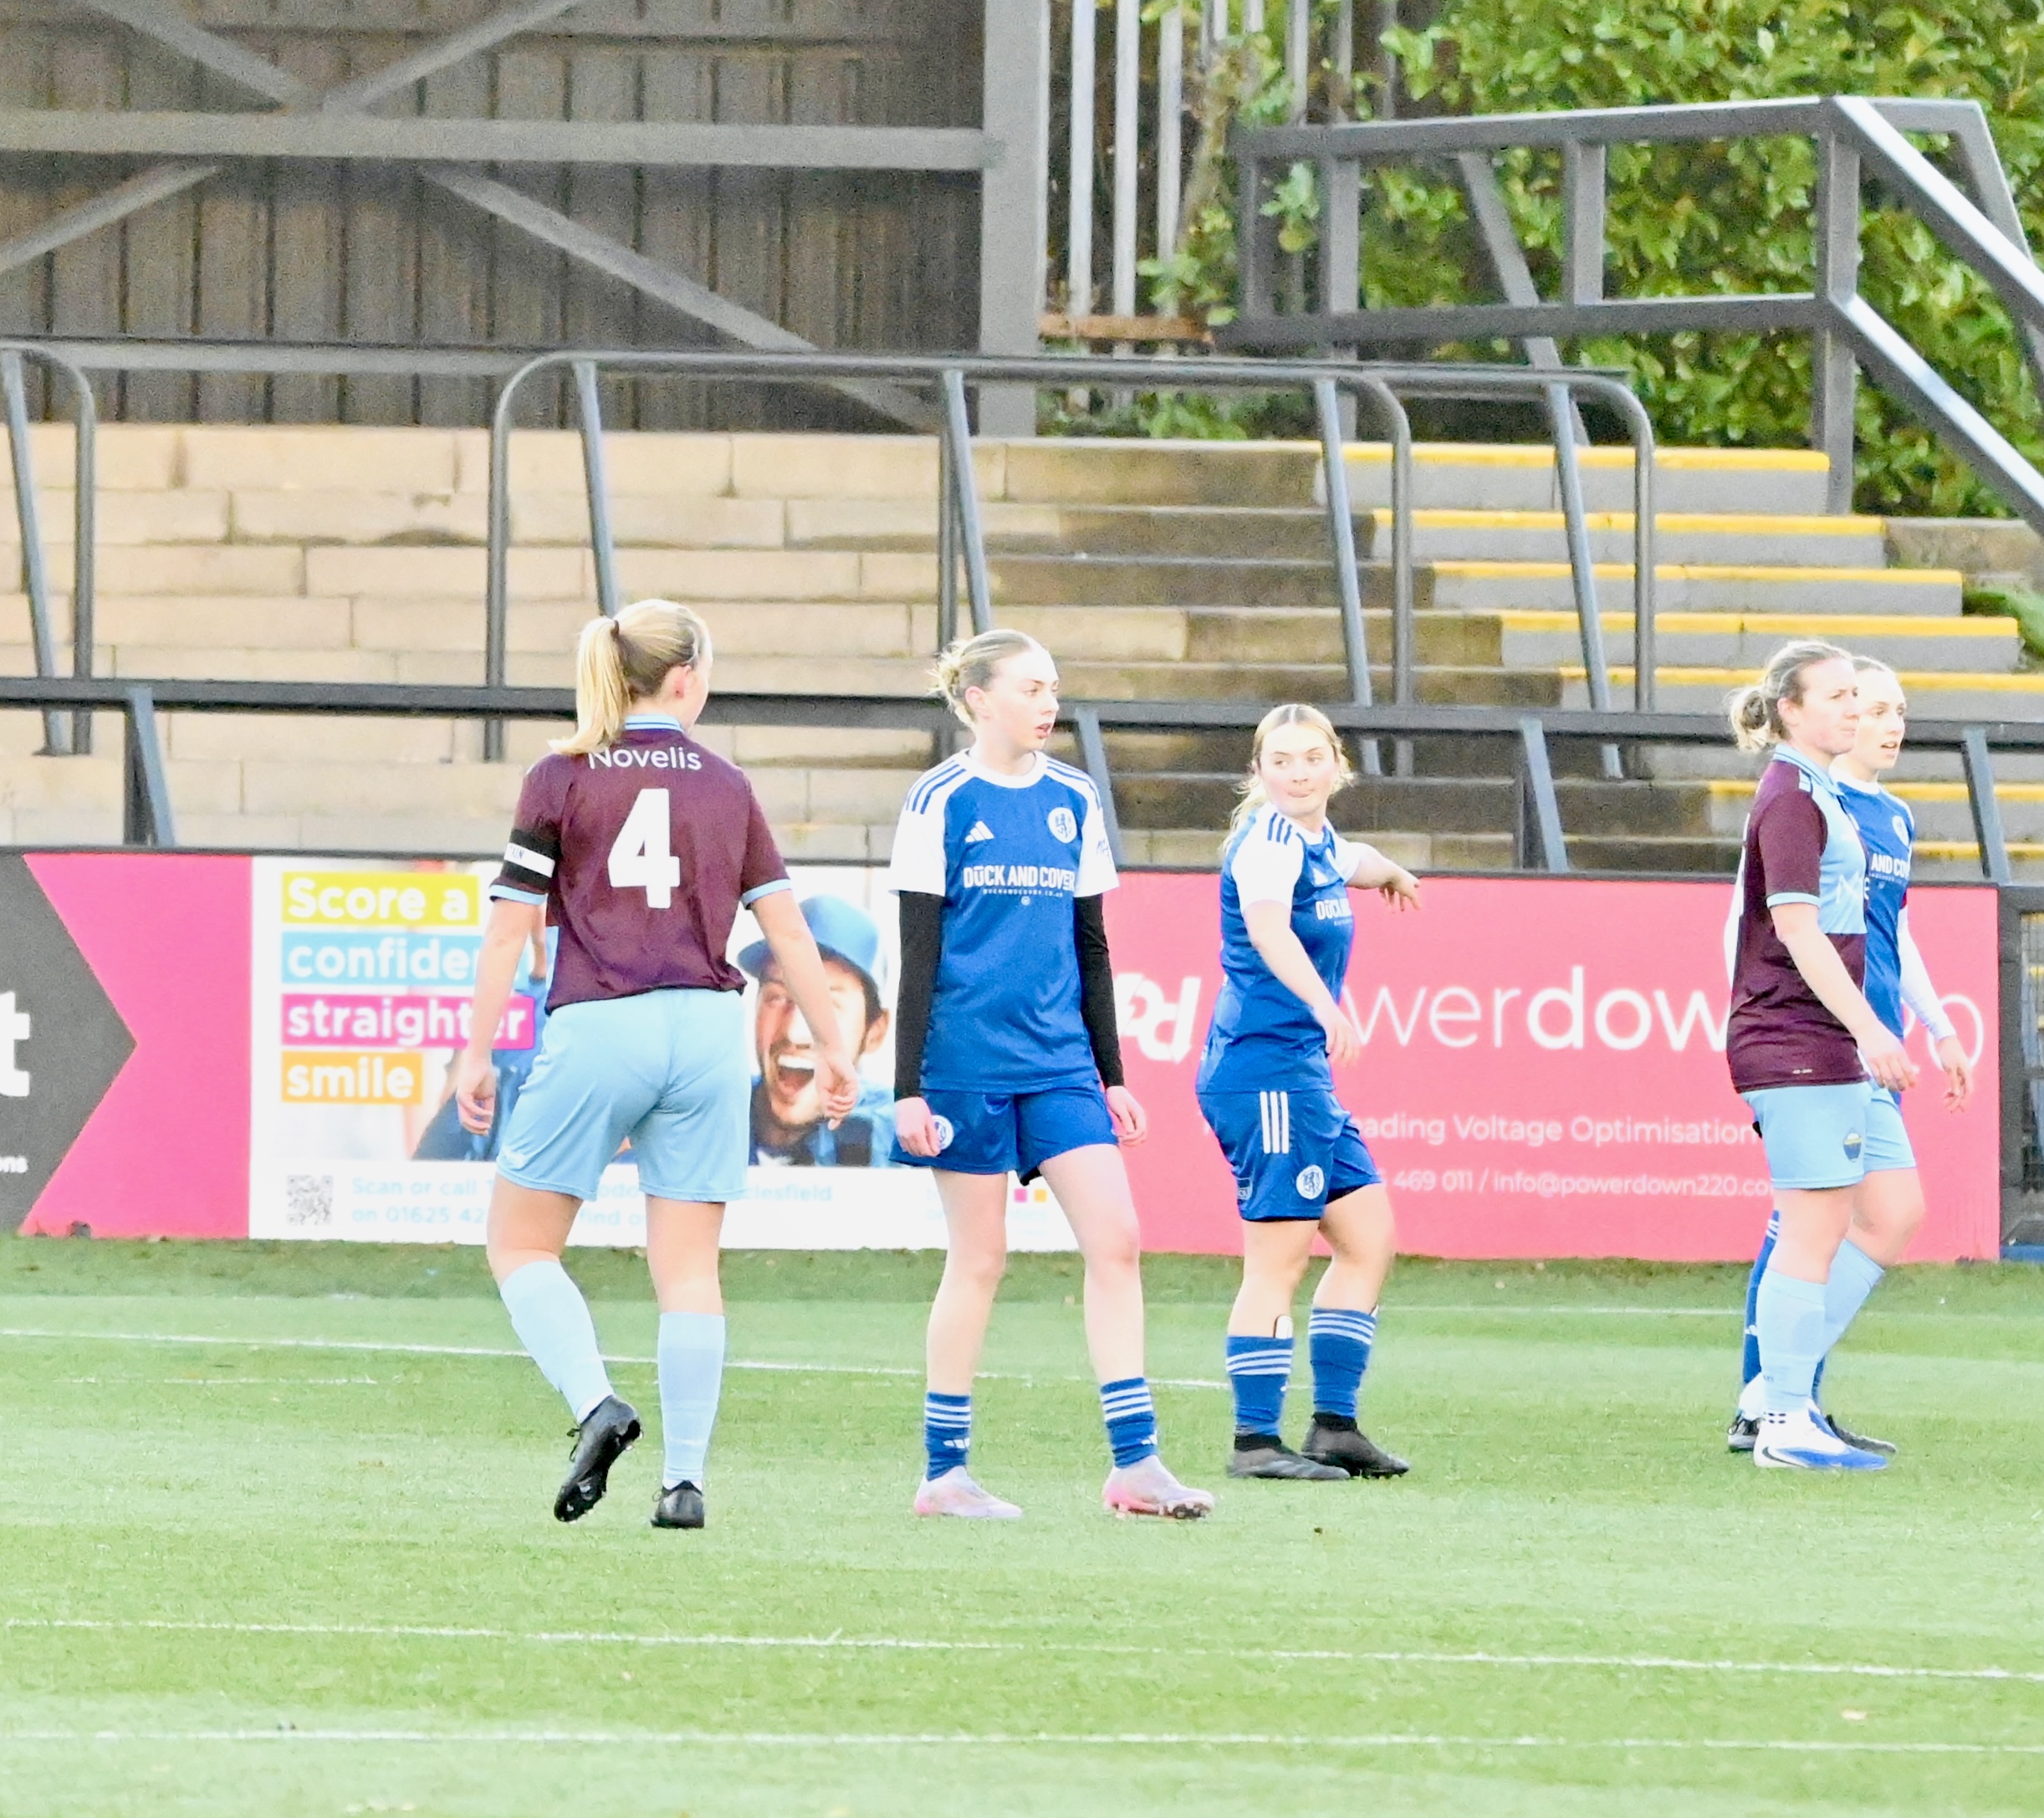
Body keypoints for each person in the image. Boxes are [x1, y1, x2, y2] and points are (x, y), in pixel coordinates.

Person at [453, 601, 875, 1531]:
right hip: (704, 1029)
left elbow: (508, 932)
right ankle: (684, 1484)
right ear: (685, 679)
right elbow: (788, 931)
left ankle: (596, 1404)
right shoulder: (727, 785)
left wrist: (476, 1051)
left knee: (521, 1245)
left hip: (601, 1021)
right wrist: (837, 1044)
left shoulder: (561, 774)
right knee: (689, 1273)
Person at [886, 634, 1203, 1519]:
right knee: (980, 1258)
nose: (1047, 702)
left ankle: (1135, 1465)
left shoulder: (1073, 798)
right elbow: (919, 952)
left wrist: (1113, 1074)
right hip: (964, 1067)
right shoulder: (939, 801)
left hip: (1061, 1065)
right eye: (1030, 688)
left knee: (1119, 1239)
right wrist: (907, 1085)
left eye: (1053, 688)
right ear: (980, 700)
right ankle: (944, 1473)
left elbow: (1091, 947)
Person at [1721, 640, 1934, 1472]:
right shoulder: (1790, 797)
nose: (1855, 709)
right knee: (1811, 1230)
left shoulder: (1822, 792)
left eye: (1861, 695)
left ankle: (1785, 1396)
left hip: (1830, 1040)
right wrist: (1871, 1027)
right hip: (1802, 1039)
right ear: (1791, 711)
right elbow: (1797, 932)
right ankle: (1780, 1418)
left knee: (1894, 1211)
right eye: (1839, 697)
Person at [1207, 704, 1424, 1484]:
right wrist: (1328, 1008)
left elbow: (1350, 858)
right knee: (1278, 1261)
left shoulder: (1321, 842)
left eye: (1311, 759)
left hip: (1300, 1074)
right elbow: (1271, 932)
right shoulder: (1265, 845)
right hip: (1263, 1068)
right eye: (1280, 761)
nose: (1297, 773)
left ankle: (1335, 1427)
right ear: (1258, 774)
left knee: (1369, 1241)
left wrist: (1391, 872)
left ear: (1337, 766)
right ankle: (1255, 1441)